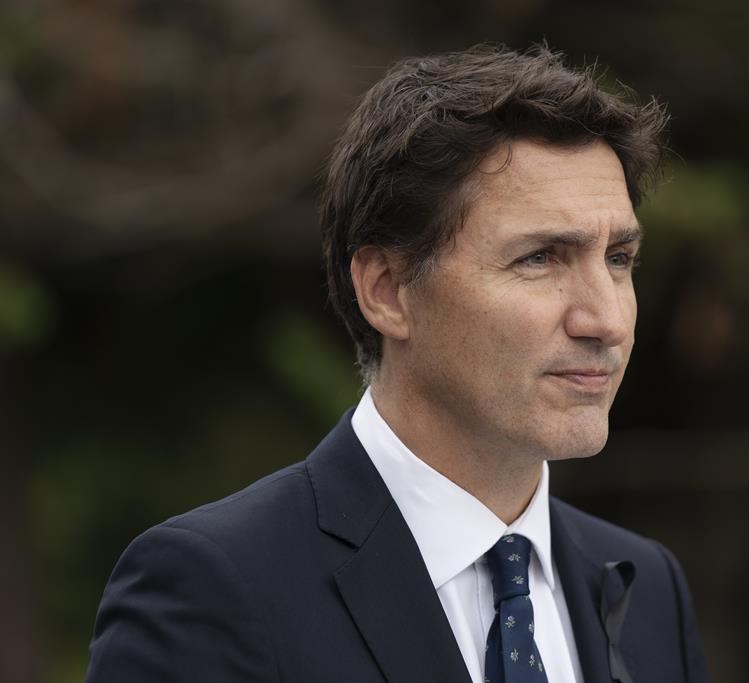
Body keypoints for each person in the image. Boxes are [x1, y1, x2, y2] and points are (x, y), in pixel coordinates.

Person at [85, 43, 709, 683]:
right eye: (540, 258)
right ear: (386, 290)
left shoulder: (648, 586)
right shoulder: (215, 588)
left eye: (618, 259)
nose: (605, 319)